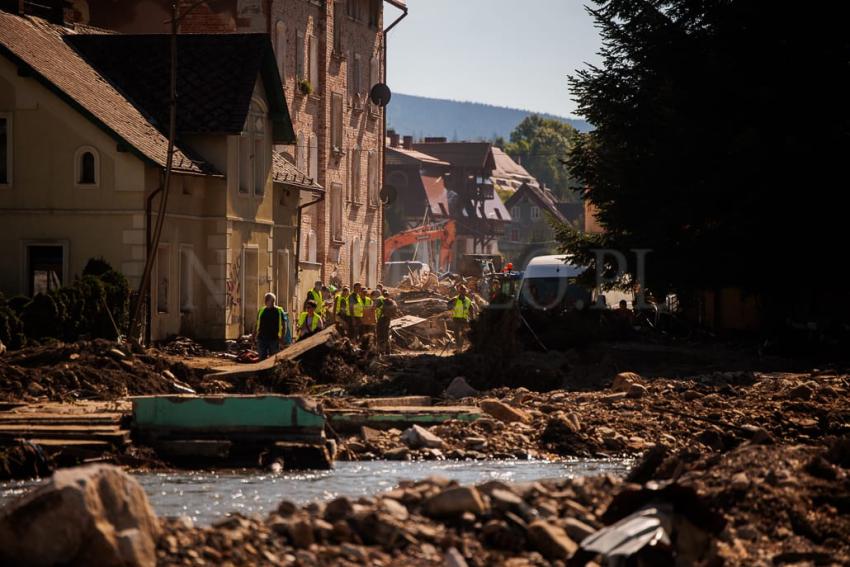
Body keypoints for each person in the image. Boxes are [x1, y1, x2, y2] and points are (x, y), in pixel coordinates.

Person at [254, 292, 292, 359]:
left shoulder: (279, 311)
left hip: (274, 339)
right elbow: (257, 323)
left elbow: (284, 325)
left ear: (272, 301)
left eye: (267, 300)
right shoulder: (261, 310)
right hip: (262, 338)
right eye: (265, 299)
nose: (265, 301)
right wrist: (253, 335)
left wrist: (282, 338)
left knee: (273, 358)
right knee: (262, 358)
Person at [447, 284, 473, 351]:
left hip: (464, 319)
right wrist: (451, 307)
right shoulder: (455, 299)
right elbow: (448, 305)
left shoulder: (468, 300)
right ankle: (458, 347)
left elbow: (471, 309)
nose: (463, 292)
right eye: (461, 290)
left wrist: (472, 319)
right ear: (459, 291)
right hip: (456, 319)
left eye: (464, 290)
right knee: (456, 334)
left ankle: (459, 347)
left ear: (465, 291)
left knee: (463, 334)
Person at [376, 290, 397, 354]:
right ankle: (388, 351)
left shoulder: (382, 301)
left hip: (381, 320)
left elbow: (376, 308)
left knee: (380, 335)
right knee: (386, 335)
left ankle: (381, 351)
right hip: (388, 319)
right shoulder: (392, 302)